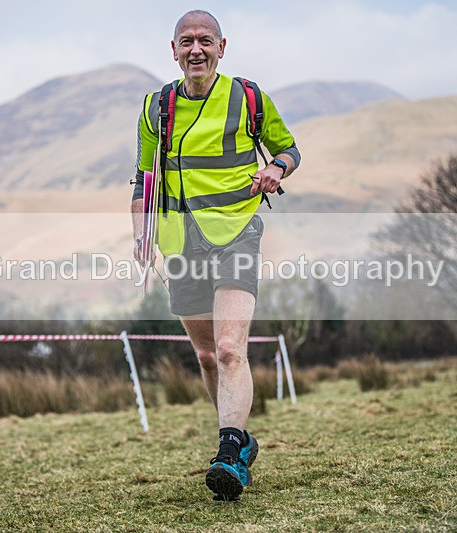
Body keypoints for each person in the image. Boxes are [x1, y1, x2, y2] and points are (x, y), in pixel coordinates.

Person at [130, 10, 300, 501]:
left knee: (228, 348)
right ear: (174, 50)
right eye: (187, 41)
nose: (196, 49)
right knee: (206, 355)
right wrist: (141, 235)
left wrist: (276, 169)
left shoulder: (249, 98)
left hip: (236, 234)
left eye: (206, 40)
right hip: (180, 241)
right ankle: (239, 440)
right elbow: (143, 180)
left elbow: (289, 150)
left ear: (222, 48)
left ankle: (228, 453)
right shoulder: (155, 108)